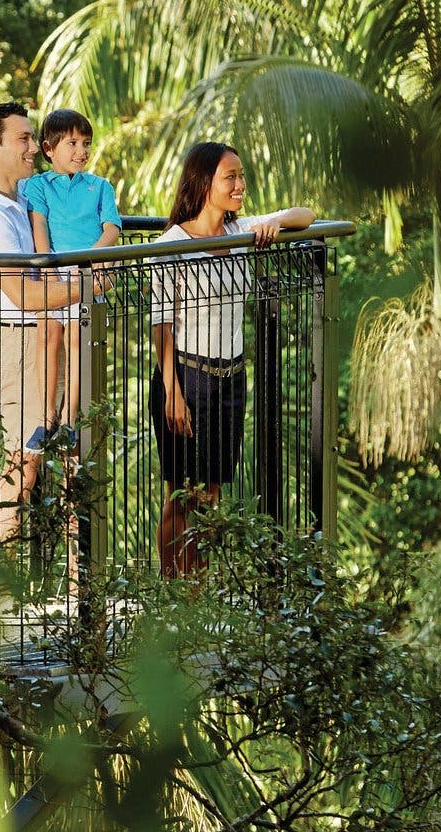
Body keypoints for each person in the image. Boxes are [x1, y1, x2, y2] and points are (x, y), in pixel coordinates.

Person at [149, 141, 314, 578]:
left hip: (231, 378)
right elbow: (161, 326)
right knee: (183, 493)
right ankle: (173, 594)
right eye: (231, 177)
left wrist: (273, 223)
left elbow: (307, 215)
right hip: (187, 375)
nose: (240, 185)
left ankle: (197, 591)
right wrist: (172, 392)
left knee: (212, 494)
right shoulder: (173, 244)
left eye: (241, 176)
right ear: (204, 183)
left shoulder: (241, 232)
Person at [0, 102, 92, 543]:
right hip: (21, 340)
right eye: (24, 139)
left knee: (77, 458)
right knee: (24, 460)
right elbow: (25, 294)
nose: (34, 147)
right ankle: (5, 587)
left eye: (34, 138)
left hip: (58, 333)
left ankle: (79, 590)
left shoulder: (27, 194)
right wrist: (91, 283)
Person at [19, 108, 122, 453]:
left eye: (86, 143)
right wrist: (47, 266)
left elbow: (112, 229)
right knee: (48, 333)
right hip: (53, 268)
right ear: (49, 148)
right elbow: (39, 225)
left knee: (78, 338)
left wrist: (88, 260)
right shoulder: (38, 185)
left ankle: (69, 417)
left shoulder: (100, 187)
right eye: (73, 143)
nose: (82, 151)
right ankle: (46, 417)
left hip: (88, 272)